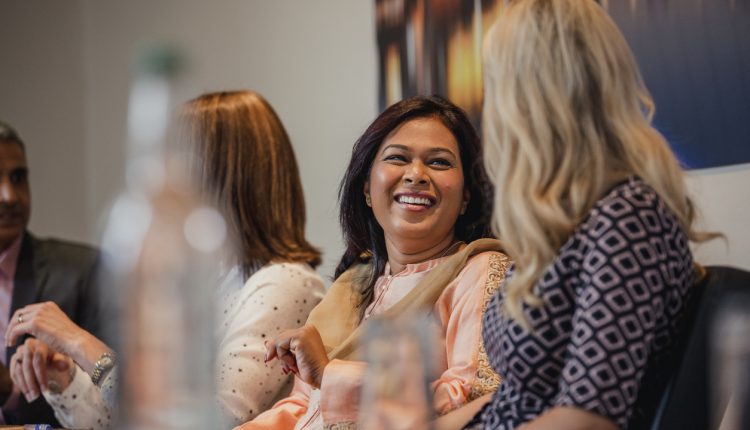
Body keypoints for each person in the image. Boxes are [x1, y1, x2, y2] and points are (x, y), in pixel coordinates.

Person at [5, 90, 327, 428]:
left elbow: (214, 417)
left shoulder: (285, 283)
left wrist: (78, 342)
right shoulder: (208, 279)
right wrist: (64, 375)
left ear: (226, 176)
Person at [466, 1, 718, 429]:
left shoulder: (629, 217)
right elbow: (514, 398)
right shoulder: (564, 222)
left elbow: (590, 418)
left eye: (494, 86)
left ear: (527, 98)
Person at [238, 95, 511, 430]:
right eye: (398, 158)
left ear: (467, 195)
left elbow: (476, 397)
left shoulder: (481, 271)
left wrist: (331, 374)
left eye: (439, 162)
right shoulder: (353, 282)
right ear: (366, 188)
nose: (416, 174)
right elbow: (303, 406)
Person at [0, 120, 104, 425]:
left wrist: (12, 390)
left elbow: (114, 399)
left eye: (18, 177)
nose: (9, 195)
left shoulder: (83, 270)